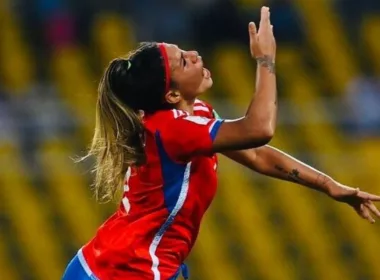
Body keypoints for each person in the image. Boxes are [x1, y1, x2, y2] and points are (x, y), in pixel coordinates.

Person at [62, 7, 380, 280]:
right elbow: (260, 128)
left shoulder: (195, 117)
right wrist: (266, 60)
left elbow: (256, 154)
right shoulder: (173, 129)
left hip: (111, 262)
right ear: (171, 95)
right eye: (184, 62)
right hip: (128, 269)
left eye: (185, 51)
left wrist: (329, 185)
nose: (194, 55)